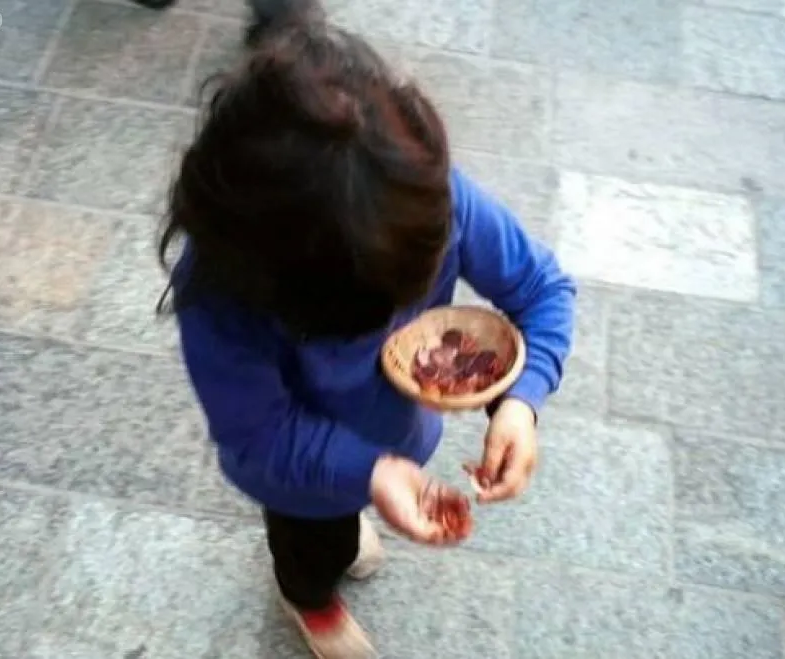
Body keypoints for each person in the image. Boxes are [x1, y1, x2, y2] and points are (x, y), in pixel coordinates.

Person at [155, 1, 576, 657]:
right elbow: (259, 432)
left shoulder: (429, 201)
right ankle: (307, 597)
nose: (395, 323)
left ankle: (346, 517)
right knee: (312, 542)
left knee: (345, 512)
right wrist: (371, 472)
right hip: (293, 473)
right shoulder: (220, 295)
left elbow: (543, 289)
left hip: (393, 434)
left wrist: (521, 400)